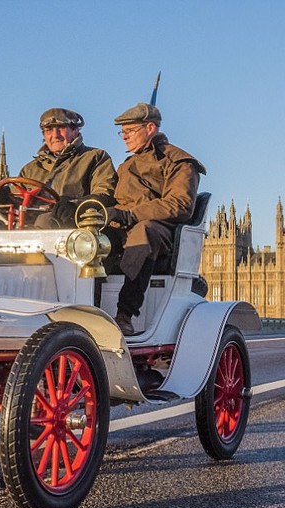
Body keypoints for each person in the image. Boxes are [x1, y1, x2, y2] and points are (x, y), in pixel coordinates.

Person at [105, 103, 206, 335]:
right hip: (121, 228)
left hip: (160, 232)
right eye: (122, 132)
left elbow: (179, 205)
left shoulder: (179, 162)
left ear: (150, 127)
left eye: (129, 131)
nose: (124, 137)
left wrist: (130, 214)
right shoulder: (126, 165)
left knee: (144, 232)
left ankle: (124, 315)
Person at [0, 108, 117, 229]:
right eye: (49, 130)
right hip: (31, 229)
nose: (55, 135)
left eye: (61, 128)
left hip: (74, 229)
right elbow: (18, 210)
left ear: (75, 131)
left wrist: (74, 205)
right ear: (44, 135)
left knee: (45, 220)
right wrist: (4, 201)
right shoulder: (30, 169)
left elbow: (105, 194)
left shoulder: (95, 157)